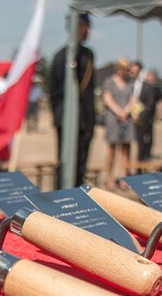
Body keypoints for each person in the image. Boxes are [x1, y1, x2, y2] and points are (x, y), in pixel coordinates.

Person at [50, 13, 96, 187]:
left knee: (81, 165)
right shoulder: (61, 57)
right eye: (85, 26)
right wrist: (60, 118)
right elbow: (55, 92)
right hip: (66, 120)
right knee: (66, 163)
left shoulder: (88, 55)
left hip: (85, 120)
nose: (88, 31)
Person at [102, 57, 135, 188]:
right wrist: (119, 112)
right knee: (112, 149)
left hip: (127, 118)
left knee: (126, 150)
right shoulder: (109, 81)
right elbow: (107, 98)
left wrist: (126, 111)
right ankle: (109, 177)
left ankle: (123, 178)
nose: (125, 71)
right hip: (113, 118)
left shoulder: (130, 82)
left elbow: (132, 100)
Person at [131, 63, 160, 161]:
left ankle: (140, 166)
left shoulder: (148, 87)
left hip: (142, 120)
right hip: (128, 118)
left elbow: (150, 104)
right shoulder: (127, 84)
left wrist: (140, 115)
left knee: (142, 143)